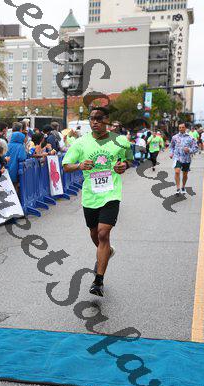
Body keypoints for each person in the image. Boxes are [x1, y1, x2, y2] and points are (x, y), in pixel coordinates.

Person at [62, 106, 133, 297]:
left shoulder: (119, 140)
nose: (95, 122)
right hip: (90, 195)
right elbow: (66, 166)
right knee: (94, 233)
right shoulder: (81, 142)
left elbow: (129, 159)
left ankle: (98, 281)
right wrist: (80, 165)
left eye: (99, 118)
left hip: (111, 193)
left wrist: (124, 165)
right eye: (92, 118)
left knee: (103, 233)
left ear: (107, 120)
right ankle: (107, 252)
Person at [169, 123, 198, 196]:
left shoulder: (190, 138)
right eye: (180, 127)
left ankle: (183, 187)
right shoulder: (174, 137)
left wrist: (189, 150)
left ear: (185, 128)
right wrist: (171, 153)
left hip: (186, 159)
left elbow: (196, 148)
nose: (181, 129)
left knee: (185, 174)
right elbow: (171, 146)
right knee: (177, 172)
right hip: (177, 157)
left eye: (182, 127)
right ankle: (178, 188)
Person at [5, 122, 27, 191]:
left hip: (6, 169)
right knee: (15, 186)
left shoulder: (8, 145)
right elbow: (22, 157)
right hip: (16, 169)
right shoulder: (20, 146)